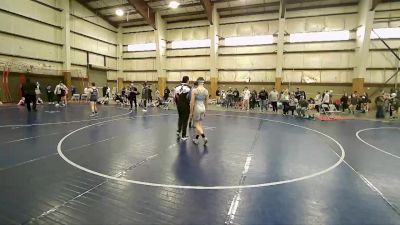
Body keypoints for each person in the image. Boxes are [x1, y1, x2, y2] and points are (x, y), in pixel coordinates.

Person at [190, 77, 209, 145]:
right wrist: (205, 110)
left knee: (196, 124)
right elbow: (207, 102)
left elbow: (192, 102)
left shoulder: (195, 90)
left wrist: (191, 112)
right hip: (203, 107)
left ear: (197, 82)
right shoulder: (206, 91)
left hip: (197, 108)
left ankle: (204, 137)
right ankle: (196, 139)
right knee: (200, 124)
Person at [174, 76, 192, 140]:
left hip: (179, 105)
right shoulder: (189, 88)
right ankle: (183, 135)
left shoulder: (176, 87)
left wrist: (177, 104)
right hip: (186, 105)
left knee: (180, 117)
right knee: (185, 120)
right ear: (187, 80)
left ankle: (178, 131)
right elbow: (190, 98)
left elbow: (175, 97)